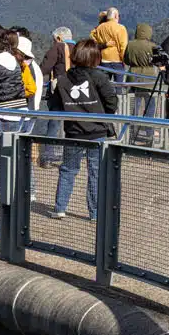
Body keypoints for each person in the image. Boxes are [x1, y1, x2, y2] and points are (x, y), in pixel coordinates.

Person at [47, 38, 118, 220]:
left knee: (68, 169)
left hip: (73, 131)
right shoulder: (99, 77)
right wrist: (104, 114)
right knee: (96, 172)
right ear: (95, 57)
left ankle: (60, 207)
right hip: (97, 130)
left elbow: (54, 105)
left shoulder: (63, 78)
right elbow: (112, 101)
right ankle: (95, 212)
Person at [37, 27, 73, 166]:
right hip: (77, 93)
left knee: (54, 124)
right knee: (73, 125)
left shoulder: (58, 47)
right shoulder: (80, 48)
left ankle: (48, 156)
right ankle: (71, 157)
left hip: (59, 92)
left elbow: (44, 68)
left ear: (59, 38)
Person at [123, 22, 159, 139]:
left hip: (133, 77)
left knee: (134, 105)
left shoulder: (130, 44)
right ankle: (149, 132)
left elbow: (126, 60)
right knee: (150, 106)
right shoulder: (153, 46)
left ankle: (131, 131)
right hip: (149, 79)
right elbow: (157, 62)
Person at [90, 7, 129, 82]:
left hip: (104, 60)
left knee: (104, 85)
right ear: (116, 16)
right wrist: (124, 60)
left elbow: (93, 37)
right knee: (118, 85)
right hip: (117, 61)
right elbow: (123, 47)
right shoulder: (121, 28)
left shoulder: (99, 28)